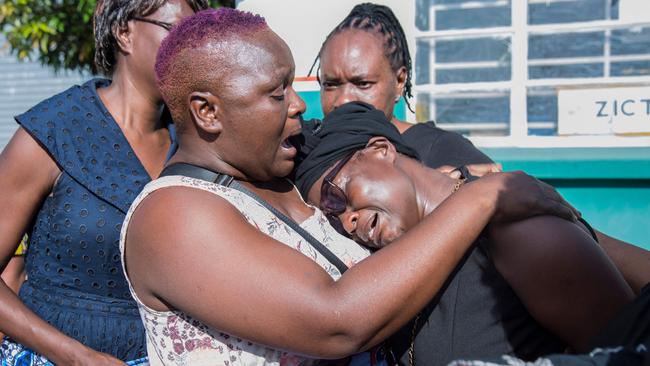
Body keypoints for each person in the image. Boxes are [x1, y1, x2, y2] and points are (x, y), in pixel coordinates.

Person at [120, 8, 578, 365]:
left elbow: (385, 158)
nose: (300, 105)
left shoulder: (283, 170)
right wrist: (479, 199)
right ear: (207, 111)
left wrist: (455, 180)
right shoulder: (172, 216)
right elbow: (337, 324)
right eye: (277, 92)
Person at [312, 2, 650, 295]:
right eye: (331, 84)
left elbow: (563, 234)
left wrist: (460, 186)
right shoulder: (319, 154)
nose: (344, 100)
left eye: (362, 83)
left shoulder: (443, 150)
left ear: (400, 81)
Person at [292, 101, 637, 365]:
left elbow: (628, 352)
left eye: (336, 196)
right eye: (331, 217)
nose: (347, 222)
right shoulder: (389, 269)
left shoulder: (516, 230)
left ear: (382, 151)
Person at [0, 0, 208, 364]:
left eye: (200, 37)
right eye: (177, 32)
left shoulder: (197, 140)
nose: (192, 50)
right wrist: (76, 356)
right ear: (124, 32)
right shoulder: (53, 131)